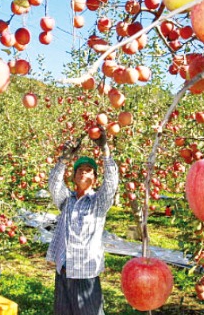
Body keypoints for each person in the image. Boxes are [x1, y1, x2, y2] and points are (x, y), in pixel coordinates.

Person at [46, 129, 119, 315]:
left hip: (85, 272)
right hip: (63, 270)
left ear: (94, 179)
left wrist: (105, 150)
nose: (83, 173)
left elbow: (111, 183)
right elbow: (53, 183)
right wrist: (63, 159)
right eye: (79, 170)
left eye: (88, 171)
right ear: (74, 177)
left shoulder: (98, 203)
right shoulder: (66, 201)